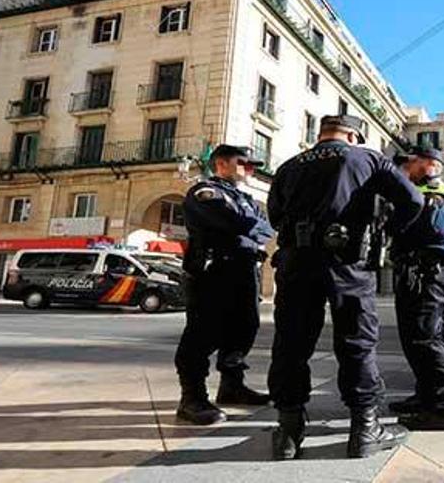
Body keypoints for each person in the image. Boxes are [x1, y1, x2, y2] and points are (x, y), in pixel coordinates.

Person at [267, 115, 424, 460]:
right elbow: (413, 200)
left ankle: (288, 432)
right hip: (347, 261)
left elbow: (274, 216)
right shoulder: (366, 158)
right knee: (356, 342)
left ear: (321, 134)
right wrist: (385, 234)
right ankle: (365, 429)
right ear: (353, 135)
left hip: (295, 262)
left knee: (291, 341)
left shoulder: (289, 165)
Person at [175, 144, 275, 425]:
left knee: (244, 329)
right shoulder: (204, 192)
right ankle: (191, 397)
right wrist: (251, 226)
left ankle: (232, 386)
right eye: (243, 163)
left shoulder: (243, 197)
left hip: (243, 272)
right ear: (221, 163)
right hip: (213, 272)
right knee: (202, 334)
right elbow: (237, 223)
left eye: (253, 165)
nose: (250, 169)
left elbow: (265, 229)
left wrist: (251, 226)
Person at [388, 146, 444, 431]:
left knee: (422, 338)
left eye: (407, 164)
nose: (403, 170)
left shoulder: (433, 193)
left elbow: (431, 229)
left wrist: (395, 220)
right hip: (435, 271)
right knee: (435, 337)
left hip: (427, 271)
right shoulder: (436, 191)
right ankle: (427, 396)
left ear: (427, 164)